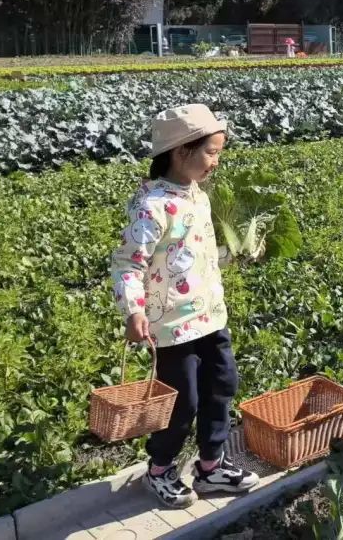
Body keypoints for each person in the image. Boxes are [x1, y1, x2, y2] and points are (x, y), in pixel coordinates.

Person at [110, 104, 259, 508]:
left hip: (211, 317)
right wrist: (133, 310)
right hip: (172, 326)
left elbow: (196, 254)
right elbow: (127, 263)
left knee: (221, 387)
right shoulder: (152, 206)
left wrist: (235, 255)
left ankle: (211, 466)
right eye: (211, 152)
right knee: (181, 402)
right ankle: (159, 469)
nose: (216, 161)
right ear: (181, 152)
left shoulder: (197, 196)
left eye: (218, 152)